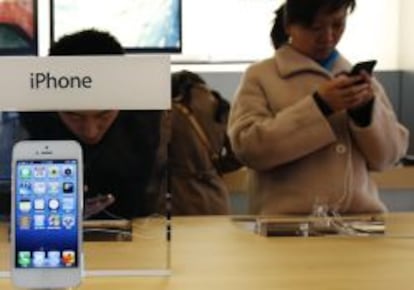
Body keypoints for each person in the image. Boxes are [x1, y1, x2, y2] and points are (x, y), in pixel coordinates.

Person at [227, 0, 409, 215]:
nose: (328, 37)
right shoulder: (260, 76)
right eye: (315, 28)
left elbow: (388, 158)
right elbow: (248, 149)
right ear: (289, 26)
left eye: (338, 25)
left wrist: (365, 115)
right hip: (286, 225)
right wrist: (320, 106)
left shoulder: (358, 79)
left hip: (360, 223)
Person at [20, 29, 164, 219]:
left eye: (103, 116)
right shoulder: (31, 123)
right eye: (75, 117)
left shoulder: (147, 122)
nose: (90, 131)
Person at [169, 70, 242, 215]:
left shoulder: (171, 112)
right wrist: (213, 169)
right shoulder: (222, 106)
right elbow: (238, 156)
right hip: (217, 198)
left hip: (181, 198)